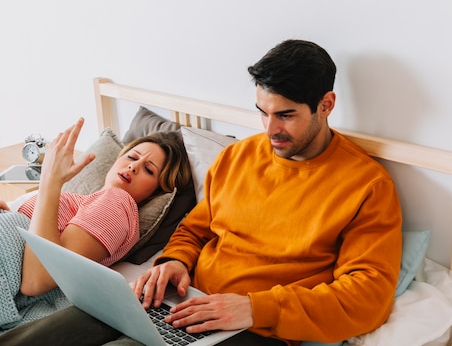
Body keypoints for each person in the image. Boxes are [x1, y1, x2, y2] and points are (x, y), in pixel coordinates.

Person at [0, 39, 403, 346]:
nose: (269, 130)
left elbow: (367, 297)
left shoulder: (366, 184)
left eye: (286, 115)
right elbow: (196, 229)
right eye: (263, 112)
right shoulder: (239, 157)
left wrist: (255, 308)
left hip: (252, 329)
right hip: (180, 299)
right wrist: (175, 261)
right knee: (39, 337)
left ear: (326, 105)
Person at [0, 118, 192, 330]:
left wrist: (50, 181)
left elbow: (37, 279)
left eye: (149, 169)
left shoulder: (117, 203)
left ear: (156, 191)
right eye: (132, 157)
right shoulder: (86, 200)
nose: (134, 166)